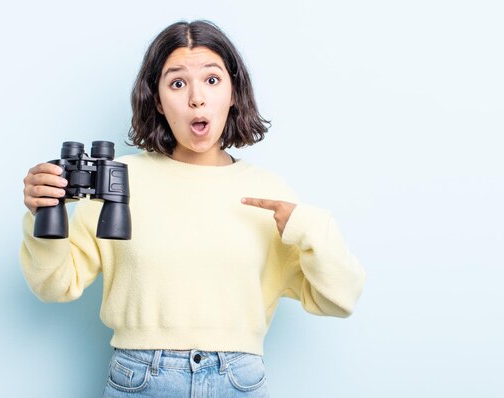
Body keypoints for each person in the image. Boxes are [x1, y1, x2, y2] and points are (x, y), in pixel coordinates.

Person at [20, 20, 365, 398]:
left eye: (212, 80)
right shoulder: (121, 179)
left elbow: (340, 299)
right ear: (157, 99)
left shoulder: (268, 190)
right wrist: (42, 215)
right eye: (177, 83)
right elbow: (55, 286)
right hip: (140, 378)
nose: (196, 98)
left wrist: (312, 226)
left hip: (239, 380)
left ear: (234, 93)